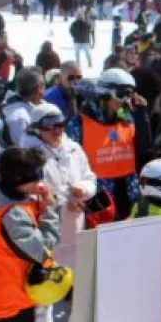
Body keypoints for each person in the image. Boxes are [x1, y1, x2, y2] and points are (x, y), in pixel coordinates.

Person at [0, 146, 64, 322]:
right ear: (18, 180)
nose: (40, 182)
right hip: (11, 300)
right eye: (35, 177)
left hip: (7, 291)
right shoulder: (12, 214)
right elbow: (44, 247)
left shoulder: (1, 194)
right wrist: (49, 210)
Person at [25, 103, 96, 322]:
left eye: (60, 124)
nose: (56, 130)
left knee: (77, 287)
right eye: (49, 125)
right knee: (44, 290)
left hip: (75, 229)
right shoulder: (29, 154)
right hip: (46, 231)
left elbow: (90, 177)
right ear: (37, 129)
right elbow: (35, 189)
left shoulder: (74, 148)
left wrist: (83, 190)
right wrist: (67, 197)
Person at [65, 69, 144, 222]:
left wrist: (142, 115)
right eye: (121, 94)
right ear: (105, 93)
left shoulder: (127, 119)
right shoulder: (79, 123)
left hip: (127, 193)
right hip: (99, 198)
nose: (125, 100)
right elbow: (69, 161)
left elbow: (142, 149)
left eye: (129, 94)